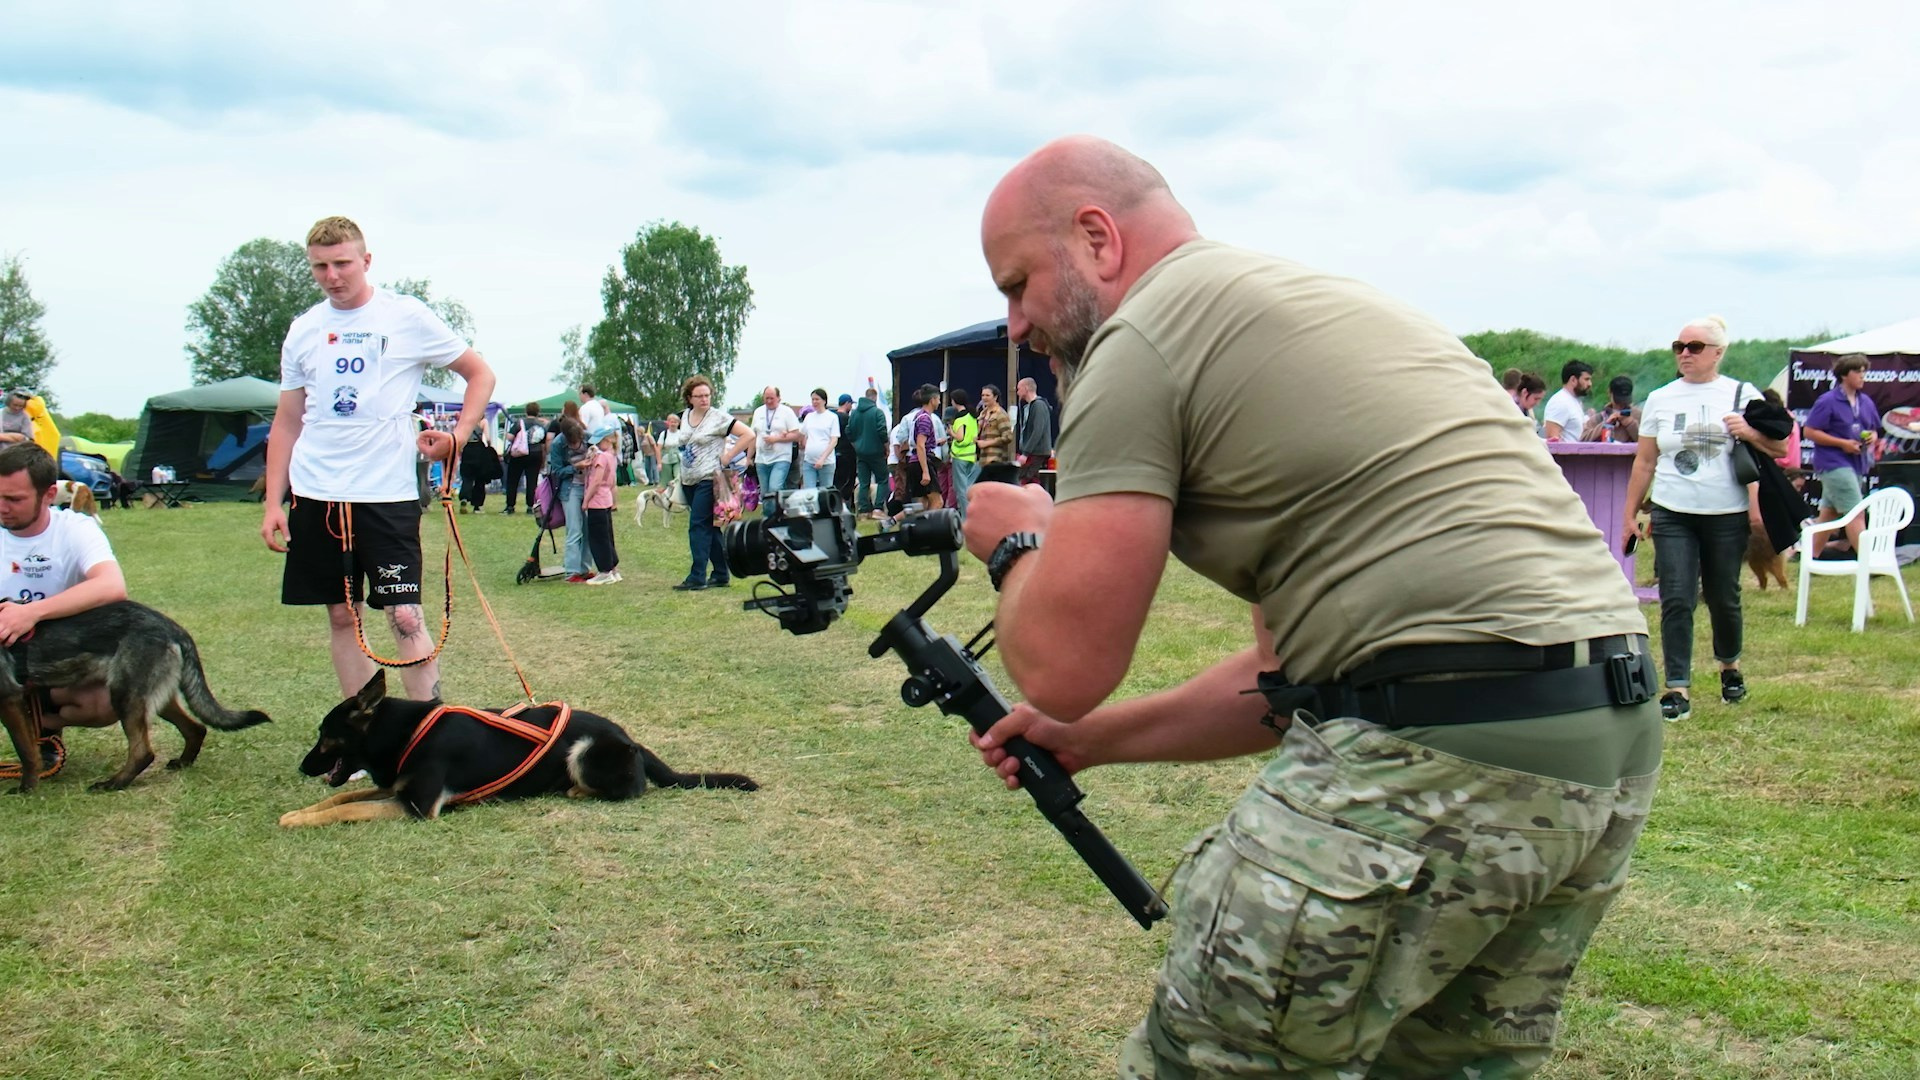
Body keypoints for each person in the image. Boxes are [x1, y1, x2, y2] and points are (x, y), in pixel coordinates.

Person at [965, 136, 1661, 1078]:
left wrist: (1017, 544)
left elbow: (1065, 666)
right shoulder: (1318, 306)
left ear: (1096, 237)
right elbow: (1284, 678)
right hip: (1595, 743)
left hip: (1430, 743)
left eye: (1017, 284)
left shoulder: (1142, 337)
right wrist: (1091, 742)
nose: (1014, 324)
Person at [261, 215, 495, 702]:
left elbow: (479, 374)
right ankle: (364, 740)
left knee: (404, 614)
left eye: (342, 263)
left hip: (385, 493)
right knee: (342, 615)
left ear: (366, 261)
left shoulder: (405, 316)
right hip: (316, 493)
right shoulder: (304, 329)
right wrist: (272, 504)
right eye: (320, 267)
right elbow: (287, 420)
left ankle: (430, 733)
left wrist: (458, 435)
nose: (332, 276)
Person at [1621, 316, 1784, 723]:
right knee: (1676, 596)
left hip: (1725, 513)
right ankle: (1677, 686)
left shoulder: (1741, 394)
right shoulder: (1660, 397)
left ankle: (1729, 665)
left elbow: (1779, 447)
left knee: (1723, 595)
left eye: (1694, 347)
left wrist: (1747, 430)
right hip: (1673, 511)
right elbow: (1645, 461)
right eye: (1679, 346)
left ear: (1718, 353)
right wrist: (1628, 513)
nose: (1685, 354)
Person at [0, 443, 129, 775]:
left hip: (58, 659)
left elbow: (112, 586)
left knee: (104, 703)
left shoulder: (74, 528)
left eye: (14, 499)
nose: (2, 507)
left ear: (49, 494)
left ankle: (37, 727)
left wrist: (33, 612)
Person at [673, 375, 755, 590]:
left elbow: (748, 434)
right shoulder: (684, 417)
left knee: (697, 526)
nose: (704, 399)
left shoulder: (718, 417)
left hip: (709, 478)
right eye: (699, 396)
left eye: (707, 395)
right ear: (689, 398)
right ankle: (720, 573)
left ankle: (697, 576)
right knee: (710, 527)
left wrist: (728, 456)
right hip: (689, 478)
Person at [1802, 353, 1880, 558]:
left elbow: (1873, 429)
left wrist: (1872, 436)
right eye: (1858, 372)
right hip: (1833, 463)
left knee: (1829, 514)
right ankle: (1867, 562)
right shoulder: (1828, 401)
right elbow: (1809, 431)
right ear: (1844, 375)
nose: (1863, 376)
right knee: (1856, 512)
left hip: (1856, 463)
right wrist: (1842, 443)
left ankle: (1810, 558)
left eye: (1864, 372)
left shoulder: (1866, 402)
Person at [547, 418, 592, 582]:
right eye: (572, 442)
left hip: (588, 487)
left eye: (578, 441)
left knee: (588, 530)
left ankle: (584, 569)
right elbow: (557, 471)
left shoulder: (588, 437)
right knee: (574, 530)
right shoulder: (557, 444)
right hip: (570, 488)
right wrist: (576, 467)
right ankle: (571, 572)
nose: (576, 444)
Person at [581, 422, 622, 585]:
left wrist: (586, 500)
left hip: (596, 501)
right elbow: (612, 481)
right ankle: (613, 569)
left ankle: (604, 571)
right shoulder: (612, 456)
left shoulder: (601, 457)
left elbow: (596, 481)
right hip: (606, 499)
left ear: (606, 440)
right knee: (608, 536)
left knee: (598, 538)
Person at [749, 386, 801, 498]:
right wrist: (749, 457)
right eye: (766, 398)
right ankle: (769, 515)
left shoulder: (787, 412)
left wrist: (777, 439)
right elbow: (753, 436)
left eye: (771, 398)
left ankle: (779, 513)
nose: (768, 401)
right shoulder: (758, 412)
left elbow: (797, 435)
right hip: (761, 458)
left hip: (781, 457)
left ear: (778, 398)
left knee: (774, 488)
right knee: (764, 493)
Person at [847, 387, 891, 514]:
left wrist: (856, 445)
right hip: (876, 452)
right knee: (883, 479)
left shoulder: (854, 413)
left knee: (864, 482)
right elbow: (882, 431)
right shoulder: (877, 412)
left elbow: (848, 431)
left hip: (861, 453)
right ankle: (878, 508)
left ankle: (863, 509)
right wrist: (886, 447)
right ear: (875, 397)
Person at [902, 383, 943, 511]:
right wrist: (925, 471)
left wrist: (935, 441)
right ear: (932, 400)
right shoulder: (926, 419)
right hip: (922, 461)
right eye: (938, 399)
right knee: (937, 502)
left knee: (922, 504)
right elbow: (920, 445)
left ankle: (895, 521)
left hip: (915, 460)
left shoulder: (917, 416)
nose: (940, 402)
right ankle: (929, 529)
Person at [500, 402, 546, 514]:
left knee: (513, 480)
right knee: (532, 481)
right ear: (538, 412)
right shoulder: (542, 425)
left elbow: (510, 437)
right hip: (536, 454)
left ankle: (510, 506)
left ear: (526, 411)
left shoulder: (519, 423)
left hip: (519, 454)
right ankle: (531, 506)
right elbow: (544, 443)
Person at [974, 383, 1018, 485]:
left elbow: (1008, 437)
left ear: (995, 397)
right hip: (982, 458)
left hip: (995, 458)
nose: (984, 398)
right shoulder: (983, 413)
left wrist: (988, 443)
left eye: (987, 395)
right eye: (983, 395)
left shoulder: (1000, 414)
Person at [798, 388, 840, 490]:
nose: (814, 402)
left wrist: (822, 459)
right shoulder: (809, 417)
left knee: (825, 492)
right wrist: (804, 444)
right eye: (813, 399)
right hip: (809, 461)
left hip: (826, 463)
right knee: (809, 491)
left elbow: (834, 440)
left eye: (817, 399)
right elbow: (802, 434)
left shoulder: (832, 417)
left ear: (824, 401)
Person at [1014, 377, 1054, 485]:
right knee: (1031, 480)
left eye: (1019, 389)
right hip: (1033, 451)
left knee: (1025, 480)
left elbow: (1038, 430)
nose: (1017, 392)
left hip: (1036, 452)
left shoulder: (1038, 406)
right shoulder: (1029, 407)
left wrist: (1025, 453)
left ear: (1026, 388)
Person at [1542, 360, 1594, 441]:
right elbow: (1552, 439)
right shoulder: (1560, 402)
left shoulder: (1574, 401)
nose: (1590, 384)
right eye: (1586, 379)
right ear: (1573, 380)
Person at [947, 388, 980, 517]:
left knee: (961, 490)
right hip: (971, 455)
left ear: (954, 401)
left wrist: (951, 433)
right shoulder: (972, 415)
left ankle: (966, 519)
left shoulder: (960, 418)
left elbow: (960, 437)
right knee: (969, 487)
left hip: (960, 455)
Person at [1582, 375, 1641, 443]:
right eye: (1618, 401)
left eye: (1625, 400)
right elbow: (1583, 439)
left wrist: (1630, 424)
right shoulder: (1599, 418)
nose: (1621, 404)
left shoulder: (1639, 416)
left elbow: (1647, 443)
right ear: (1609, 393)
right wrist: (1605, 425)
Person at [456, 426, 501, 513]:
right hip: (479, 449)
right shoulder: (483, 422)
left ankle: (464, 497)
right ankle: (477, 505)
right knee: (480, 479)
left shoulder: (466, 421)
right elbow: (487, 438)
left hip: (467, 449)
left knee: (467, 477)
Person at [833, 393, 859, 508]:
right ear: (847, 403)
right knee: (847, 481)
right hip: (847, 454)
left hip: (833, 453)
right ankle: (843, 505)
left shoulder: (832, 417)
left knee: (836, 481)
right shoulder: (848, 419)